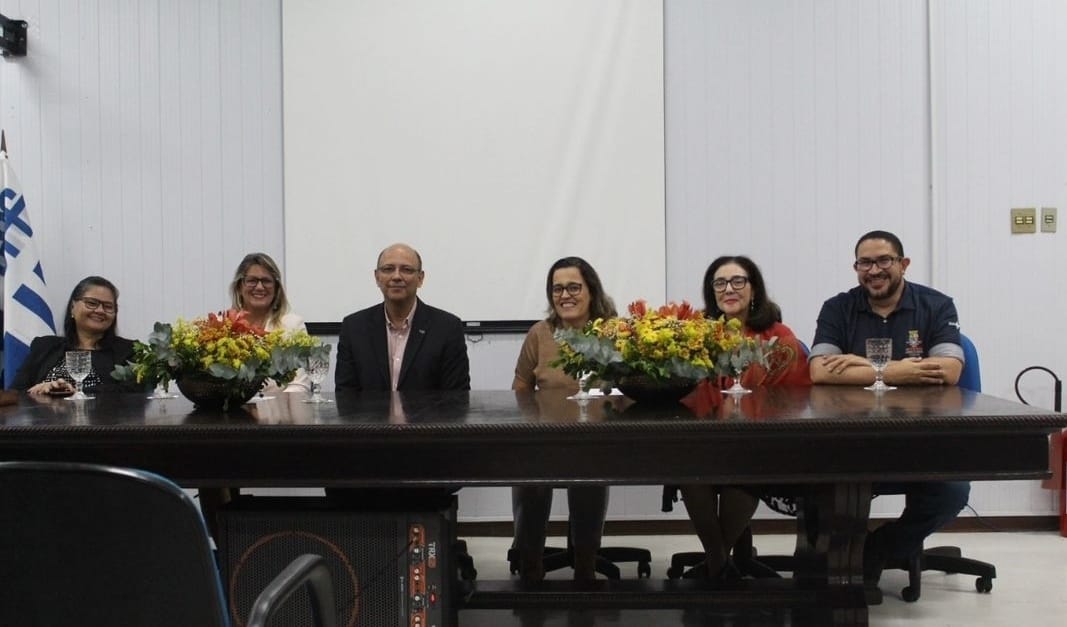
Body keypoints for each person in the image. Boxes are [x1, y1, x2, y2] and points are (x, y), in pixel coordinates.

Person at [808, 229, 970, 586]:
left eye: (884, 260)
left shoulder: (937, 305)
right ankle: (828, 564)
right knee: (812, 483)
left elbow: (949, 371)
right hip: (848, 438)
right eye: (864, 262)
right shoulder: (838, 307)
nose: (874, 270)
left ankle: (880, 548)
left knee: (952, 490)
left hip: (921, 438)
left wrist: (855, 364)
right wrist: (895, 370)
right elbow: (819, 371)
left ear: (903, 264)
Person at [678, 255, 811, 581]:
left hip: (761, 443)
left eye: (738, 281)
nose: (729, 289)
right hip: (705, 440)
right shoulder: (697, 336)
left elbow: (793, 399)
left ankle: (715, 566)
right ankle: (721, 564)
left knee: (743, 469)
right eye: (720, 283)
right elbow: (684, 393)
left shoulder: (778, 337)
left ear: (754, 289)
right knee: (688, 470)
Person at [511, 256, 617, 582]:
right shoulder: (540, 334)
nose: (564, 295)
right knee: (529, 478)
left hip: (598, 438)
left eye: (573, 287)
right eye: (557, 289)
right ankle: (530, 566)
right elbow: (521, 385)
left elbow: (630, 385)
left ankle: (585, 568)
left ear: (591, 291)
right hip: (545, 438)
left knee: (589, 476)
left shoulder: (613, 332)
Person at [335, 243, 470, 391]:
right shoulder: (354, 328)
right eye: (388, 269)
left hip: (429, 415)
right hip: (369, 415)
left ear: (420, 278)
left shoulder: (447, 328)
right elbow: (345, 395)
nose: (397, 276)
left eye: (406, 270)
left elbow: (457, 398)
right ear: (377, 277)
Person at [13, 276, 137, 394]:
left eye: (108, 306)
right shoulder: (44, 346)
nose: (100, 310)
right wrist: (40, 390)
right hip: (44, 415)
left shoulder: (128, 351)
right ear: (73, 307)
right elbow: (16, 391)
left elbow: (134, 392)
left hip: (103, 416)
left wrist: (71, 391)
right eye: (92, 303)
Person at [228, 252, 309, 394]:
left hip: (280, 413)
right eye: (252, 280)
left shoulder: (293, 326)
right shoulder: (223, 326)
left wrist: (270, 411)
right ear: (240, 287)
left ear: (277, 288)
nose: (259, 287)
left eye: (266, 281)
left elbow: (299, 386)